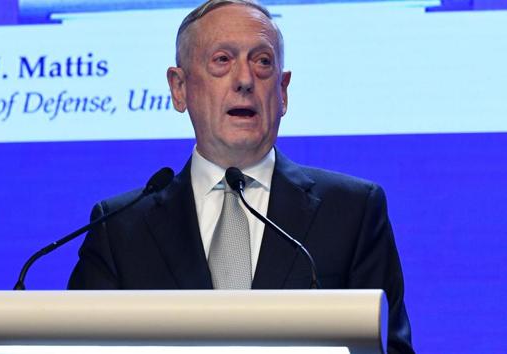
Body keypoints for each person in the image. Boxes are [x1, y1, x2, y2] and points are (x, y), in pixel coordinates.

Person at [68, 1, 414, 352]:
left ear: (282, 91)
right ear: (179, 87)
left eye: (262, 62)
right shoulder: (120, 229)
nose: (246, 80)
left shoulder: (352, 212)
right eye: (223, 60)